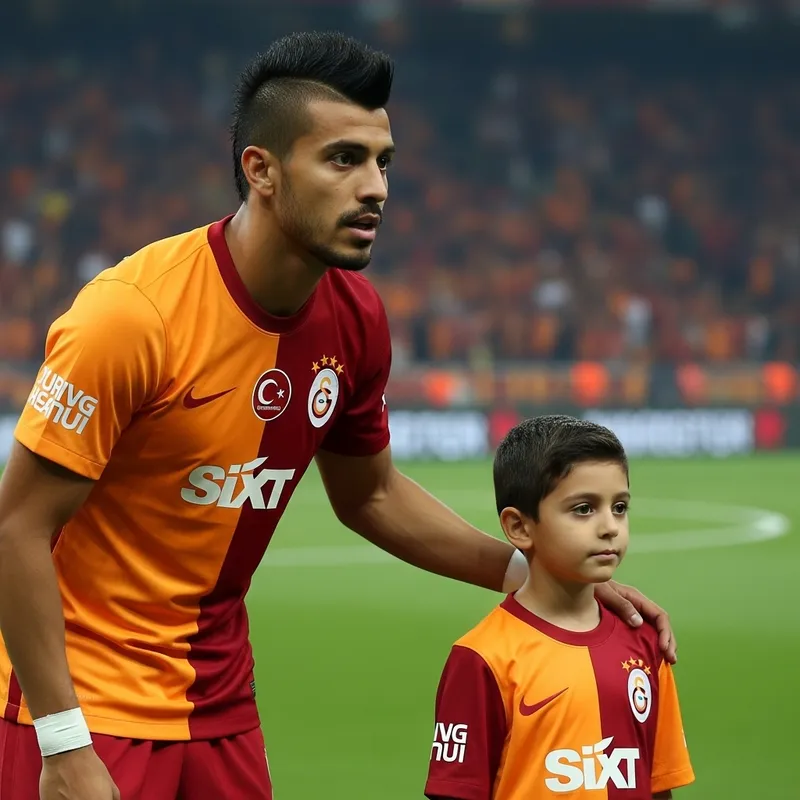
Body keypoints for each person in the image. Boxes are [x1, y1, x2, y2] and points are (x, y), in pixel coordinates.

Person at [0, 32, 675, 800]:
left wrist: (538, 574)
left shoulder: (355, 319)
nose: (376, 187)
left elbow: (372, 494)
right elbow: (16, 527)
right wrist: (62, 741)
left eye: (384, 162)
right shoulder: (132, 317)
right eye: (344, 159)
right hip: (84, 709)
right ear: (261, 169)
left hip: (219, 707)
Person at [424, 415, 695, 800]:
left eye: (619, 507)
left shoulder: (646, 644)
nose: (610, 526)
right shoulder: (482, 657)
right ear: (519, 527)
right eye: (584, 509)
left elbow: (658, 786)